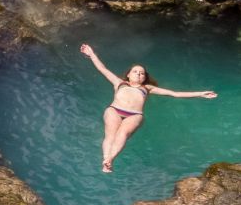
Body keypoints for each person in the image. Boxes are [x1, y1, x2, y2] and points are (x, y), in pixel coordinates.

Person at [79, 43, 216, 173]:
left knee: (123, 134)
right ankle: (105, 159)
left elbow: (174, 93)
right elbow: (102, 69)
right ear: (128, 74)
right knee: (110, 135)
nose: (139, 74)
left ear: (144, 78)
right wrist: (91, 54)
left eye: (142, 73)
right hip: (114, 110)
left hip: (134, 115)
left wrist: (200, 94)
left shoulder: (147, 88)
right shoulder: (119, 83)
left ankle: (110, 159)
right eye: (135, 72)